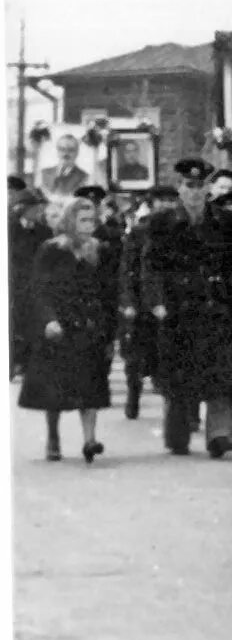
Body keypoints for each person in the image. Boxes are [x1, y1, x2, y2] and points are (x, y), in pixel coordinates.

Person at [143, 158, 232, 456]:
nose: (195, 192)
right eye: (190, 185)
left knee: (219, 371)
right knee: (178, 375)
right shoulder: (162, 222)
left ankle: (218, 434)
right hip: (178, 307)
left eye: (201, 186)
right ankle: (178, 433)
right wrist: (157, 301)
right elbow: (151, 266)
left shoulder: (224, 221)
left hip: (214, 304)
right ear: (180, 188)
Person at [19, 190, 117, 463]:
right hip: (60, 325)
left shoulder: (101, 250)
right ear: (69, 221)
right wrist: (48, 319)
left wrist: (110, 329)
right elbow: (39, 289)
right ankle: (53, 436)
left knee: (91, 385)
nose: (89, 226)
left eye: (92, 220)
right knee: (55, 387)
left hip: (90, 325)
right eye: (83, 220)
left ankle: (90, 439)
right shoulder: (52, 249)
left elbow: (109, 291)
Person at [116, 183, 175, 417]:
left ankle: (173, 407)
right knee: (135, 356)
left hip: (170, 299)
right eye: (162, 200)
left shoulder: (180, 228)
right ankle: (133, 394)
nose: (167, 205)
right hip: (141, 302)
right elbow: (127, 269)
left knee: (166, 355)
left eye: (171, 200)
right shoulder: (141, 231)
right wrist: (128, 301)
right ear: (152, 204)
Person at [11, 184, 52, 378]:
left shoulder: (44, 232)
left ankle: (27, 364)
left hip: (35, 287)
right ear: (22, 208)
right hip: (12, 286)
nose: (39, 211)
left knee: (32, 326)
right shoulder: (9, 228)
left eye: (40, 207)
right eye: (35, 207)